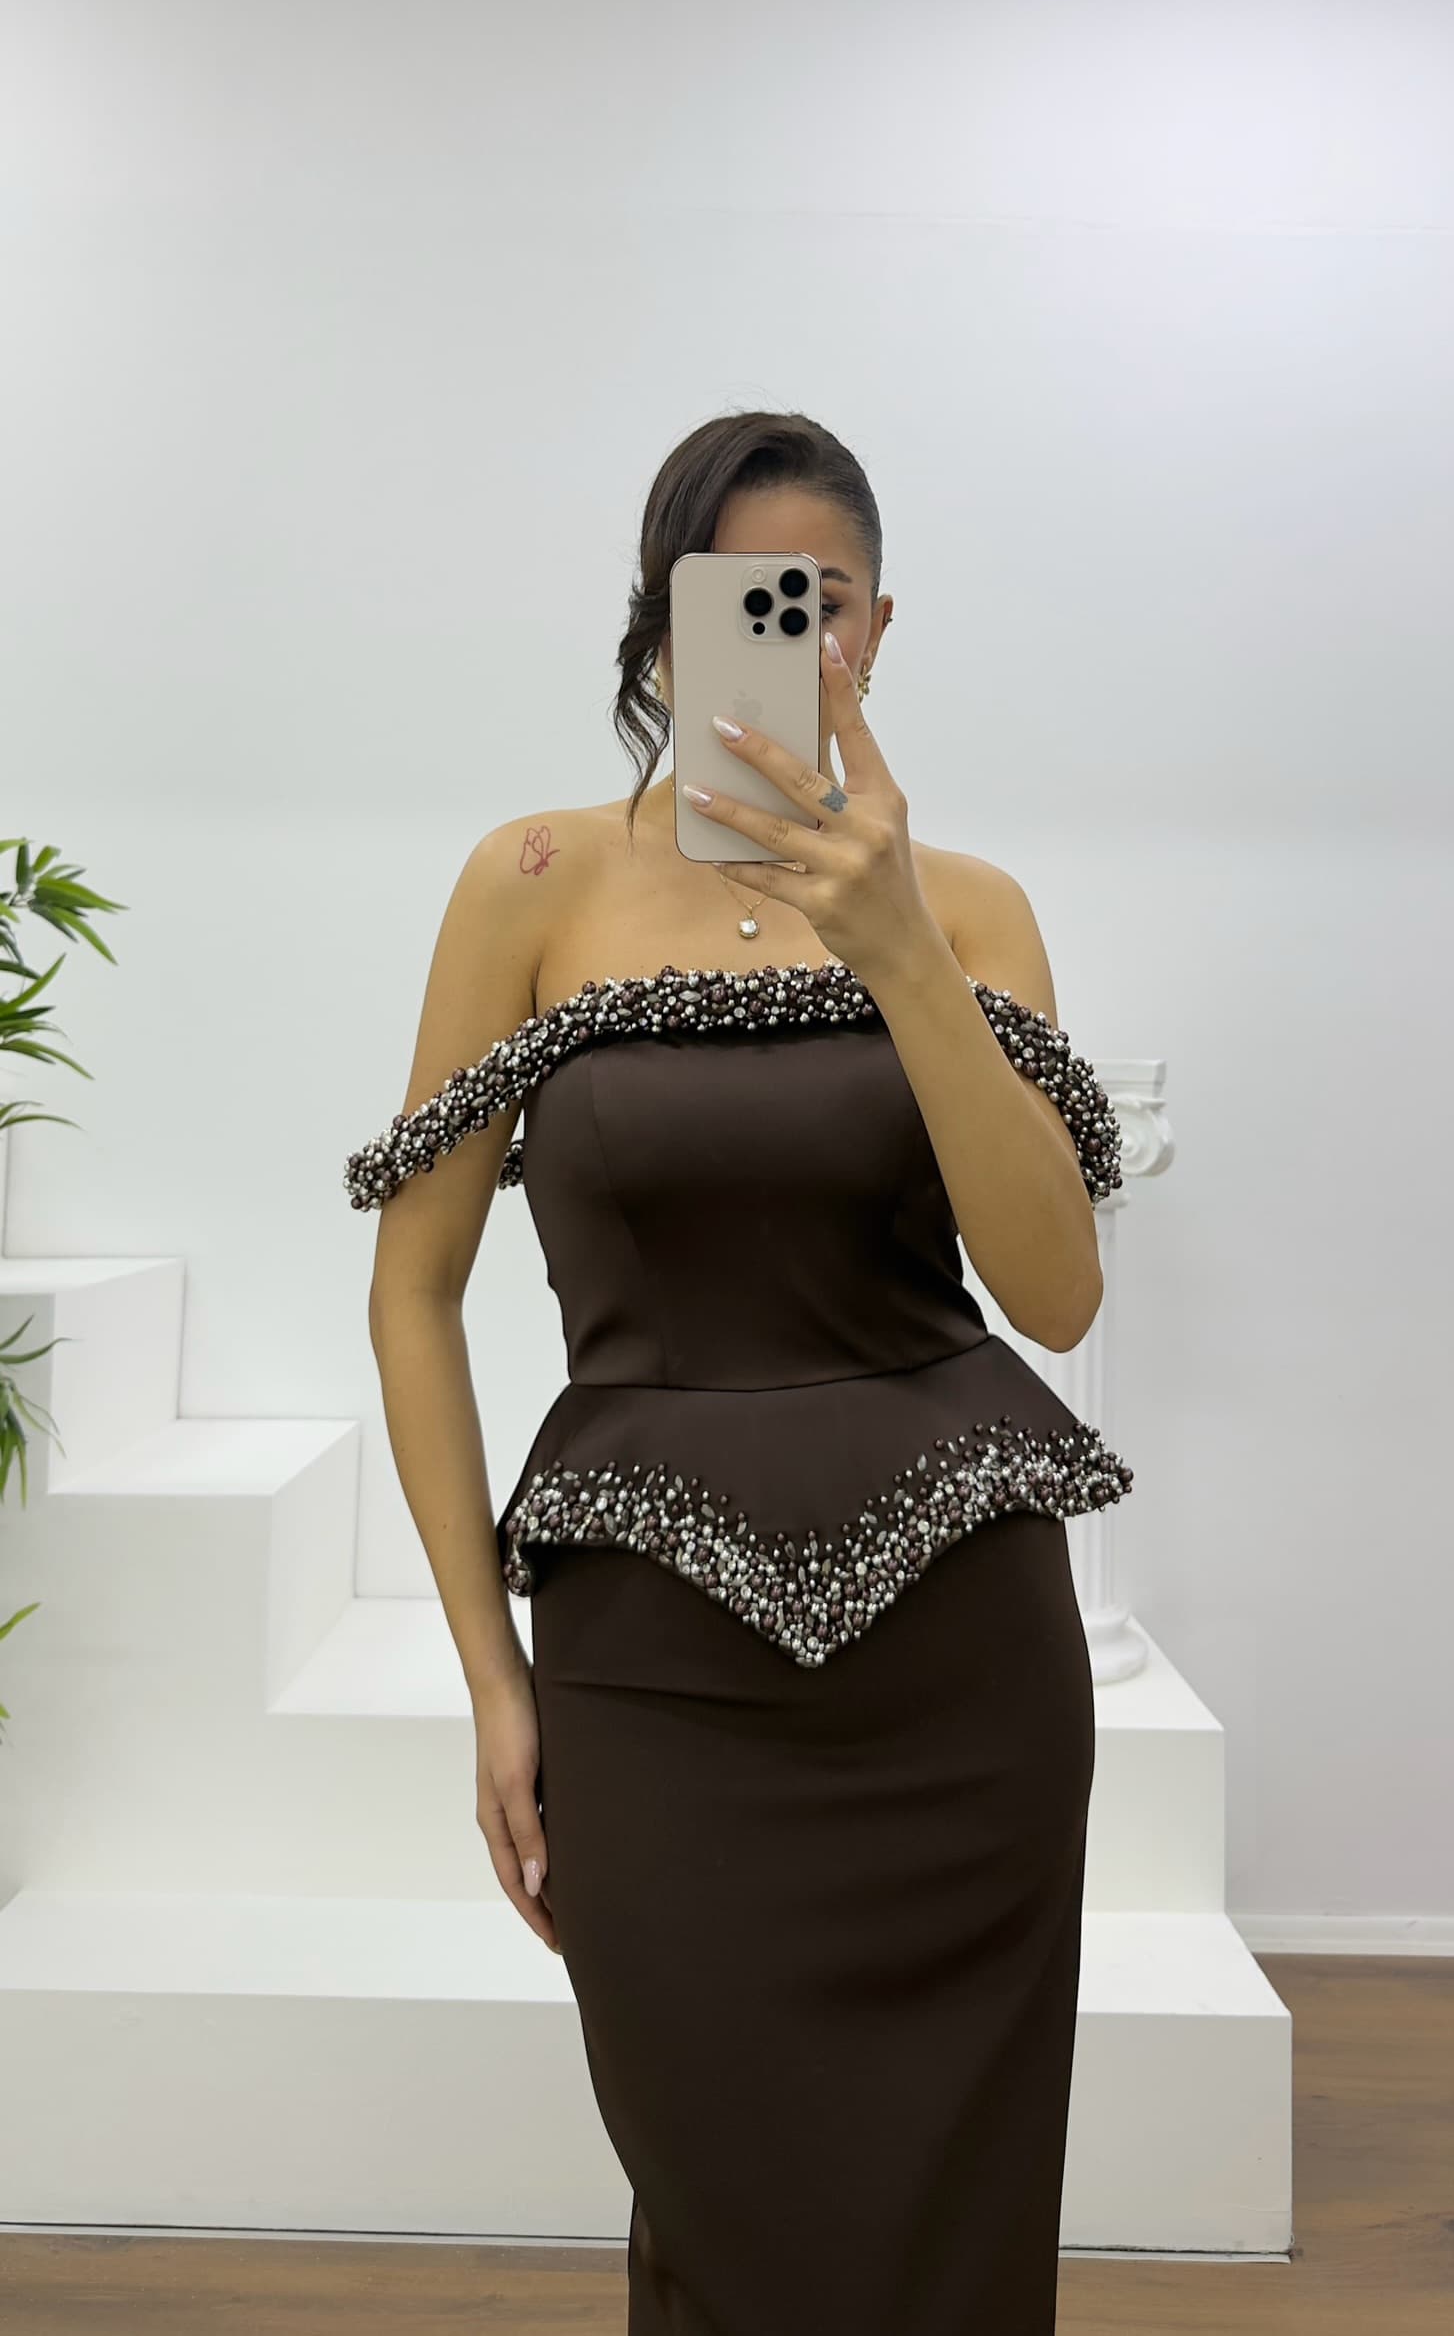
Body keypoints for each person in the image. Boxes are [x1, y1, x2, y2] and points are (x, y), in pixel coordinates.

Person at [346, 409, 1132, 2335]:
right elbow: (413, 1294)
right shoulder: (529, 882)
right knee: (719, 2203)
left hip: (963, 1672)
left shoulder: (970, 909)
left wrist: (902, 950)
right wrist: (492, 1680)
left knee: (951, 2225)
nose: (794, 637)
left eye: (825, 600)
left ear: (879, 626)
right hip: (650, 1664)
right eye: (740, 599)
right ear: (663, 618)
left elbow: (1053, 1294)